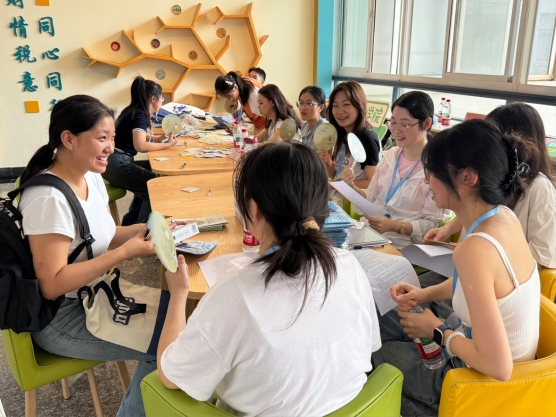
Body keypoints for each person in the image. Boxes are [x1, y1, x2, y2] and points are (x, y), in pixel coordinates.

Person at [157, 142, 382, 416]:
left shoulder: (233, 296)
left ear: (253, 209)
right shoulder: (348, 265)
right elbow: (369, 346)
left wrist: (178, 294)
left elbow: (171, 378)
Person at [17, 95, 180, 417]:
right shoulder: (47, 199)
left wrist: (149, 229)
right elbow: (52, 285)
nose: (111, 148)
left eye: (113, 138)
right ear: (69, 139)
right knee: (171, 345)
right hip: (63, 317)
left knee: (180, 318)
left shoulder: (91, 175)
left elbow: (103, 234)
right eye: (102, 138)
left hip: (98, 295)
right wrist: (123, 254)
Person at [374, 119, 540, 416]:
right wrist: (424, 294)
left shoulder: (475, 248)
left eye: (432, 172)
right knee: (386, 319)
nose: (427, 181)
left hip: (478, 383)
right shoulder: (503, 216)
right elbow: (481, 287)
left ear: (467, 177)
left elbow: (498, 367)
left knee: (375, 349)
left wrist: (436, 330)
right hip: (486, 357)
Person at [424, 102, 556, 268]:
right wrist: (448, 229)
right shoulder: (491, 178)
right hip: (466, 263)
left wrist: (481, 251)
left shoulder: (539, 187)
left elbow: (543, 254)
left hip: (491, 269)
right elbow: (477, 208)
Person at [339, 91, 451, 250]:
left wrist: (394, 226)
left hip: (402, 246)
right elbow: (371, 197)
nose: (396, 130)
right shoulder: (389, 157)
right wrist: (351, 188)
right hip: (368, 235)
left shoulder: (437, 169)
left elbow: (431, 225)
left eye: (404, 124)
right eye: (393, 122)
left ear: (426, 124)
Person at [102, 76, 177, 226]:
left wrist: (156, 139)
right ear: (153, 99)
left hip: (112, 162)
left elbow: (138, 135)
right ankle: (141, 230)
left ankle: (130, 225)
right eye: (162, 98)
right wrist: (167, 145)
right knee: (155, 186)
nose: (162, 101)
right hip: (117, 164)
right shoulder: (140, 115)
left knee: (146, 181)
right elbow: (140, 145)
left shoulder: (133, 111)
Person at [318, 81, 381, 189]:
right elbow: (336, 174)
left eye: (346, 104)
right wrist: (327, 162)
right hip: (339, 196)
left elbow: (371, 183)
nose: (340, 111)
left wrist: (336, 186)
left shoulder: (367, 137)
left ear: (359, 105)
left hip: (355, 199)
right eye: (335, 105)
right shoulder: (342, 132)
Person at [297, 85, 328, 151]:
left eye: (309, 103)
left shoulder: (326, 129)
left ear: (321, 107)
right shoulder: (304, 126)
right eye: (301, 103)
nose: (303, 107)